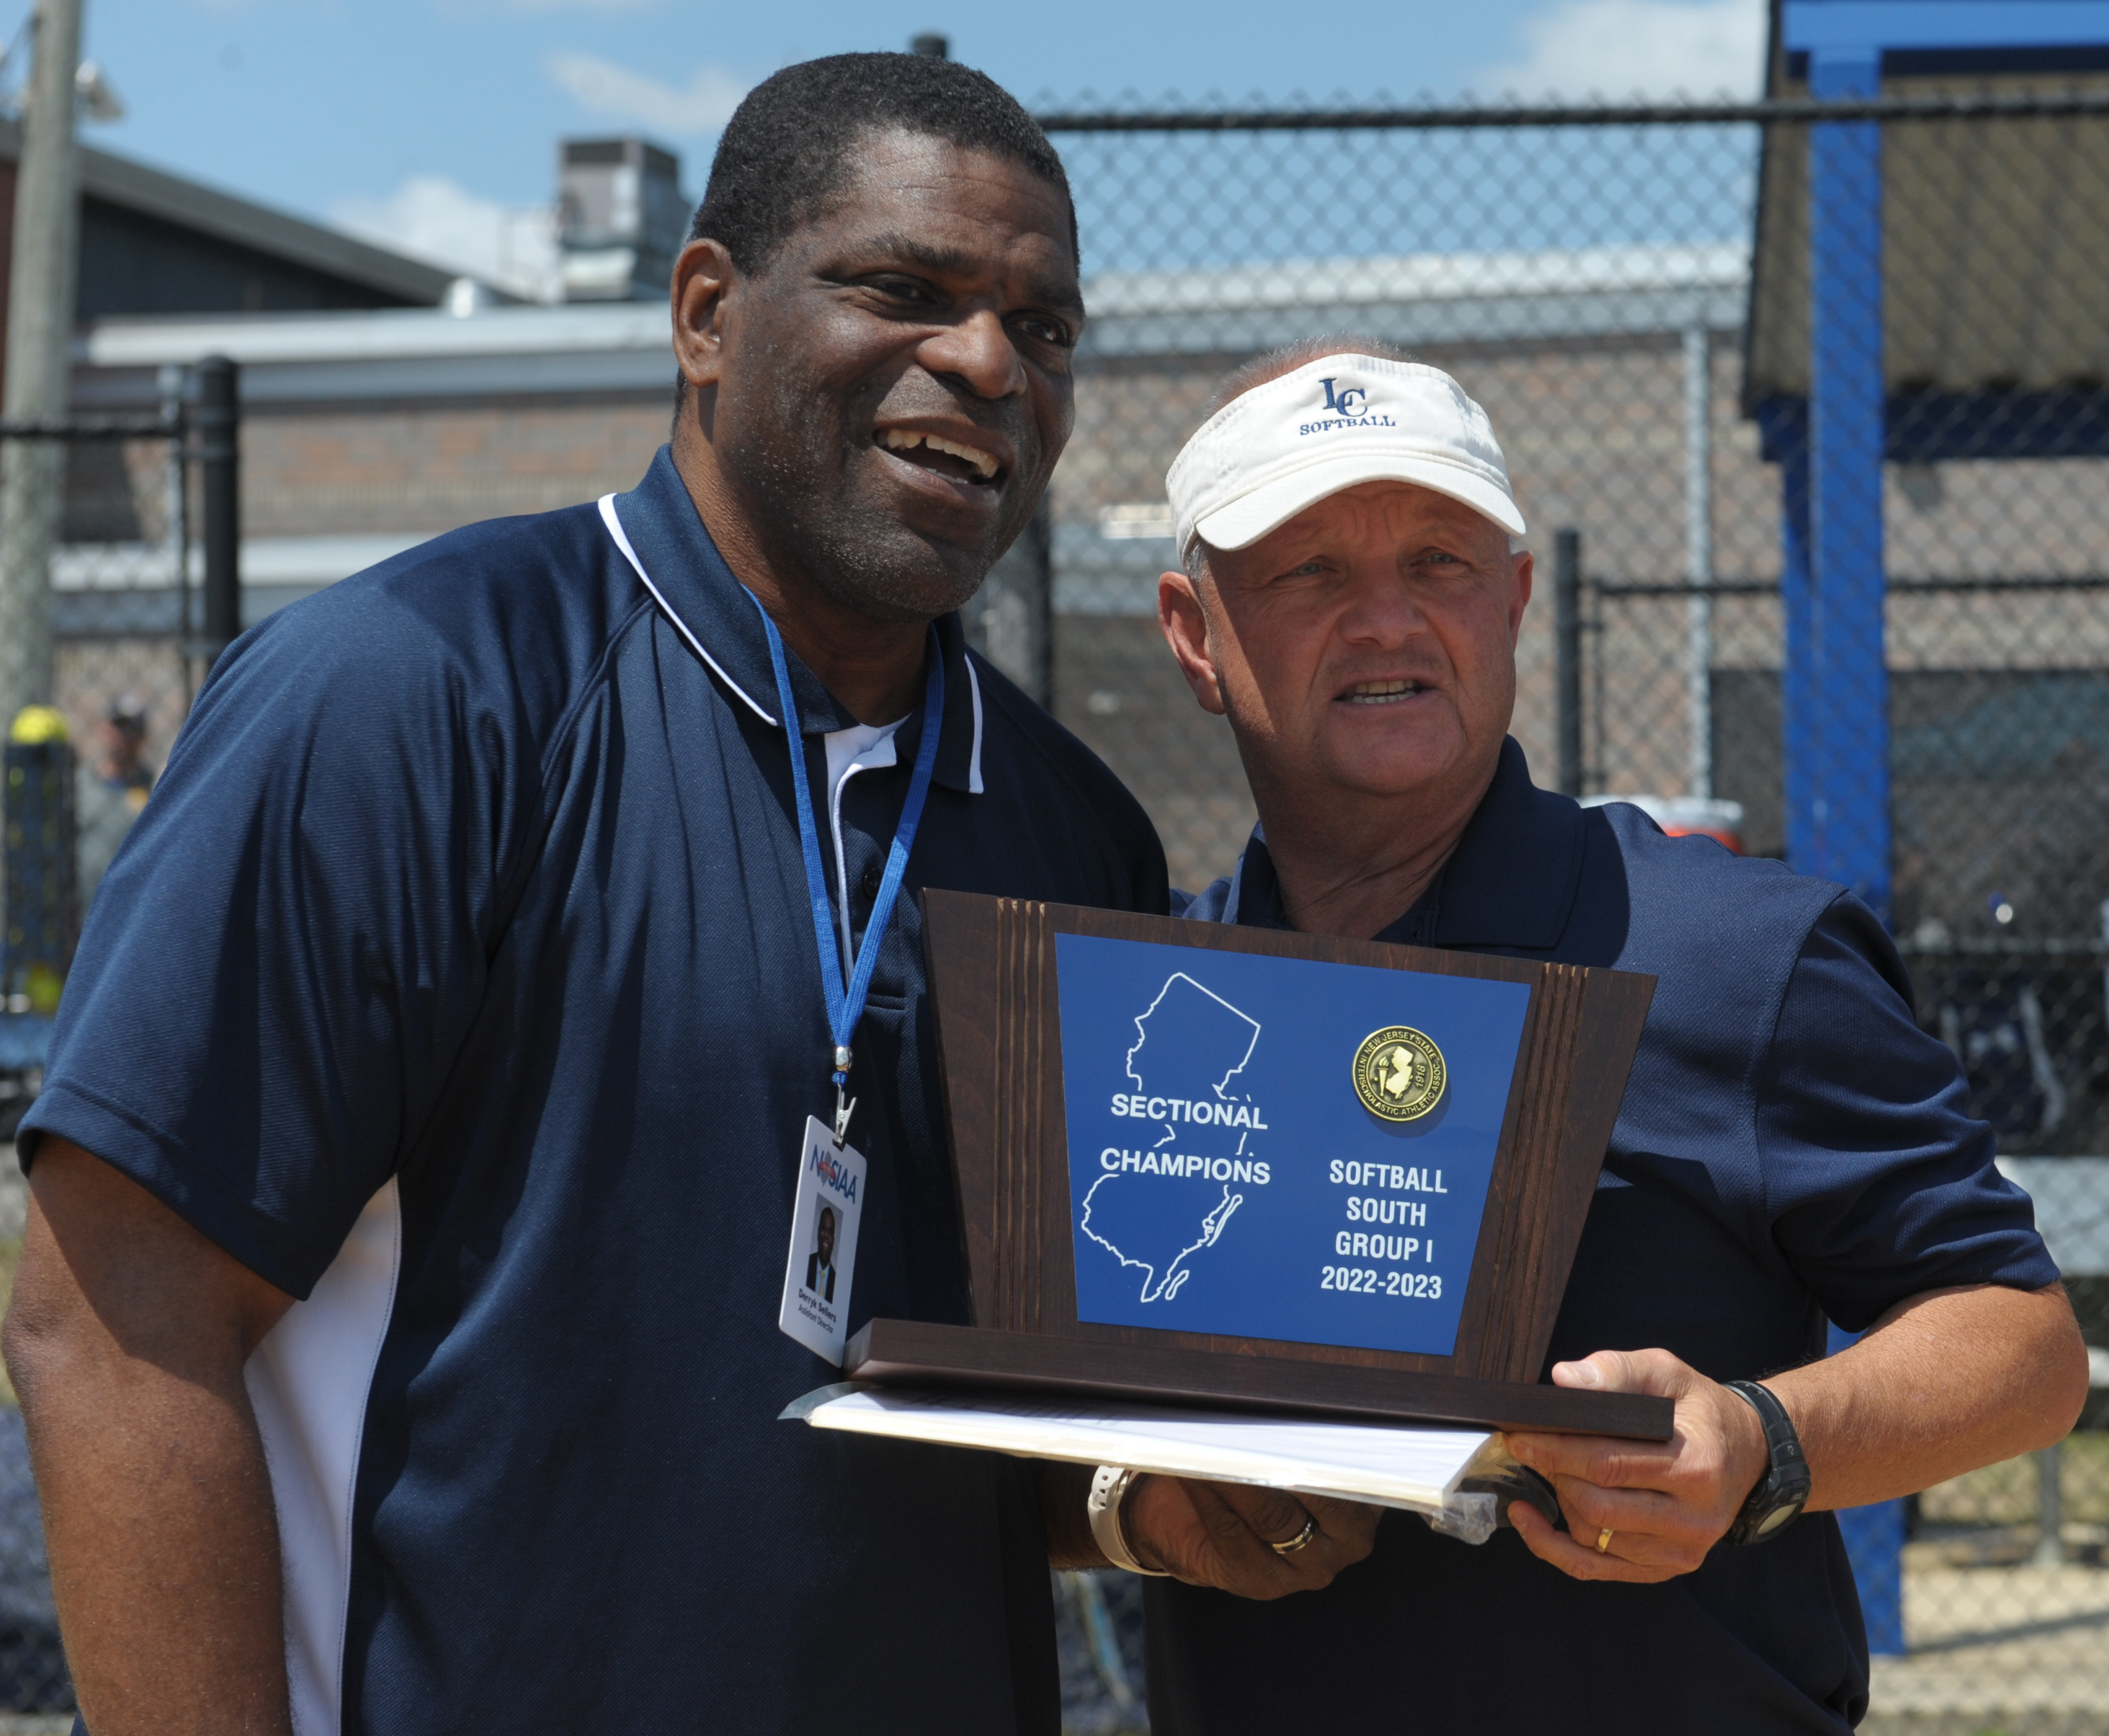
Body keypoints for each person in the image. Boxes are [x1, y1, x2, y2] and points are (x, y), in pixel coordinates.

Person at [1, 54, 1259, 1736]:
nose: (986, 364)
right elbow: (105, 1320)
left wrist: (1161, 1500)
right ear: (705, 311)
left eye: (1045, 330)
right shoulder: (406, 698)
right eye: (908, 289)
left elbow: (972, 1431)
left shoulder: (1070, 833)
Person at [1101, 340, 2090, 1733]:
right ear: (1196, 632)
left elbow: (2026, 1343)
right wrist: (1136, 1505)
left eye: (1438, 560)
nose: (1386, 620)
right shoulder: (1151, 1007)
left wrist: (1765, 1439)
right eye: (1308, 569)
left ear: (1512, 600)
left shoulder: (1741, 953)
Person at [73, 692, 152, 912]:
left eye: (132, 728)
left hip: (128, 912)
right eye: (119, 725)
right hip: (79, 912)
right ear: (103, 728)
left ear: (143, 737)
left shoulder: (154, 791)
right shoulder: (78, 784)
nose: (123, 736)